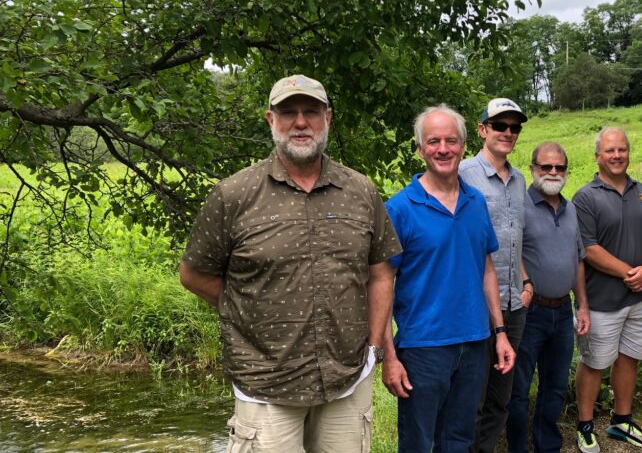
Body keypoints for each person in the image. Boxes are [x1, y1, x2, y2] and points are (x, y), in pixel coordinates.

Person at [178, 74, 402, 453]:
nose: (301, 122)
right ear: (270, 120)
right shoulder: (234, 195)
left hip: (345, 377)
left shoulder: (360, 191)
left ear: (328, 118)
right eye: (288, 112)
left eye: (311, 111)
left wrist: (375, 346)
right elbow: (193, 274)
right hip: (265, 381)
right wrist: (247, 310)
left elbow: (380, 272)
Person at [381, 104, 516, 452]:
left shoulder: (475, 202)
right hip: (423, 350)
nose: (443, 149)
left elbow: (485, 267)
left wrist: (500, 332)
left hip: (474, 344)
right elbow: (380, 285)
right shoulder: (400, 209)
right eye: (433, 141)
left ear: (463, 145)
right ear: (420, 148)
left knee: (458, 440)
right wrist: (390, 356)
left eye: (451, 141)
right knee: (417, 442)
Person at [573, 127, 642, 452]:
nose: (617, 156)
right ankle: (585, 425)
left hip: (639, 299)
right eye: (610, 151)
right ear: (598, 156)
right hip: (602, 302)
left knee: (629, 358)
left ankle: (622, 421)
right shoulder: (585, 197)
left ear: (629, 153)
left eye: (622, 150)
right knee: (594, 363)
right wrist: (632, 272)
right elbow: (588, 248)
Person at [507, 142, 592, 453]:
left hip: (562, 311)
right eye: (546, 167)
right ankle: (516, 447)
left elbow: (578, 260)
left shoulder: (571, 211)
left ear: (566, 171)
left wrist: (582, 305)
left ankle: (547, 446)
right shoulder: (520, 207)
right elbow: (511, 253)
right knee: (518, 389)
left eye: (559, 167)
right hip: (530, 313)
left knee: (554, 387)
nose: (553, 172)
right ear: (532, 169)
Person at [459, 98, 531, 453]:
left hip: (514, 303)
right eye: (499, 125)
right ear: (482, 129)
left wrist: (525, 280)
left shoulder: (519, 181)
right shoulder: (462, 174)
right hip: (476, 303)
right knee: (470, 395)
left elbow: (514, 239)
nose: (507, 132)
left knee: (500, 395)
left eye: (514, 127)